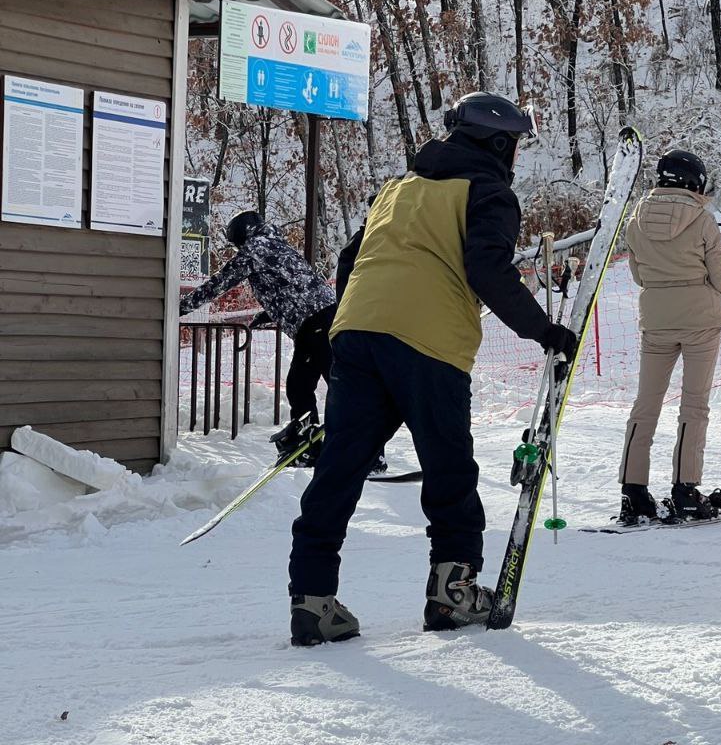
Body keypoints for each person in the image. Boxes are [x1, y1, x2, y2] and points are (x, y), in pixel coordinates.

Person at [287, 92, 577, 645]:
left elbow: (351, 259)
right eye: (513, 143)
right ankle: (452, 593)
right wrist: (545, 331)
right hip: (427, 341)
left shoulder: (398, 190)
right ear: (497, 144)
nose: (514, 155)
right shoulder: (489, 192)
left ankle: (312, 600)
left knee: (340, 470)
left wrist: (357, 321)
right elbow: (487, 269)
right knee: (447, 468)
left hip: (357, 331)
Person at [617, 149, 721, 526]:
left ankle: (633, 491)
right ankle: (685, 490)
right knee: (694, 405)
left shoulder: (635, 219)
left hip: (656, 320)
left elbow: (638, 275)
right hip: (700, 320)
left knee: (645, 404)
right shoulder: (702, 221)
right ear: (694, 182)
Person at [179, 211, 336, 464]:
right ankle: (311, 443)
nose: (239, 249)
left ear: (244, 235)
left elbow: (222, 282)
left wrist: (184, 306)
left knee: (333, 385)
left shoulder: (256, 248)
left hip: (316, 323)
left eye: (237, 243)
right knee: (302, 384)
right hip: (320, 319)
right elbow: (293, 284)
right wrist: (270, 313)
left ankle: (363, 452)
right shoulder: (275, 243)